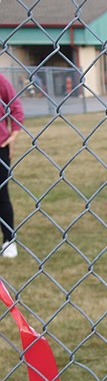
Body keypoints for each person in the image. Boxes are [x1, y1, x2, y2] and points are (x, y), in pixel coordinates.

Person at [0, 71, 23, 259]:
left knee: (1, 194)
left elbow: (15, 108)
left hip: (0, 148)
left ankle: (8, 239)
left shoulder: (0, 80)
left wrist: (13, 136)